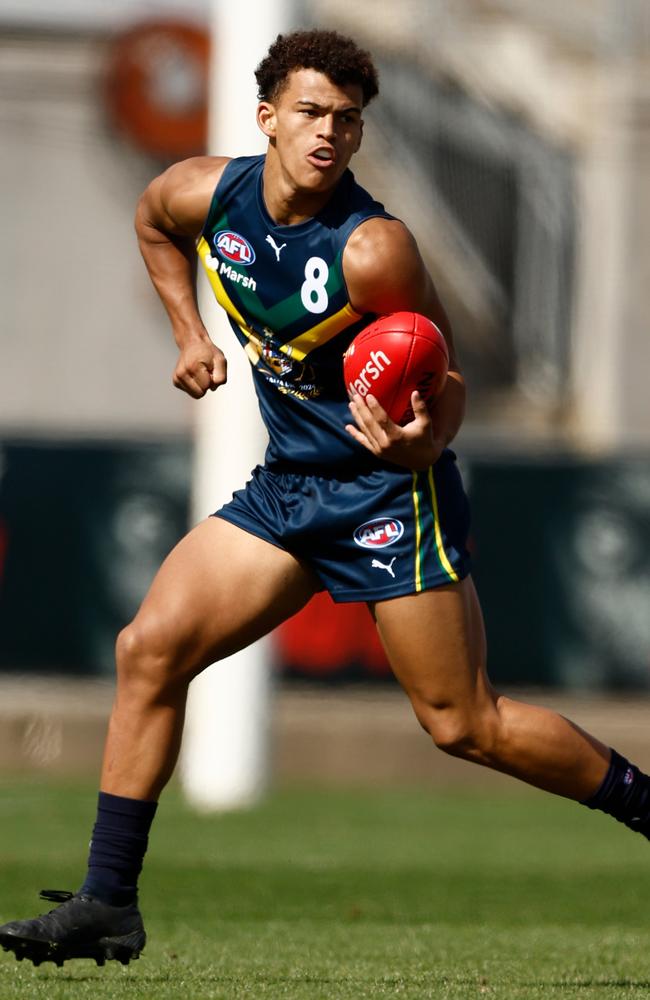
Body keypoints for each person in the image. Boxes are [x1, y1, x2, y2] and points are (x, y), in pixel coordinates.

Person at [1, 28, 649, 969]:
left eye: (347, 121)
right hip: (290, 490)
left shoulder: (374, 249)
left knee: (464, 725)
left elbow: (449, 375)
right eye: (310, 113)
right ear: (266, 117)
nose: (328, 134)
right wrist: (189, 332)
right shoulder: (203, 192)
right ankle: (107, 903)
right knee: (148, 650)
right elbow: (151, 219)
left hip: (390, 492)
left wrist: (428, 433)